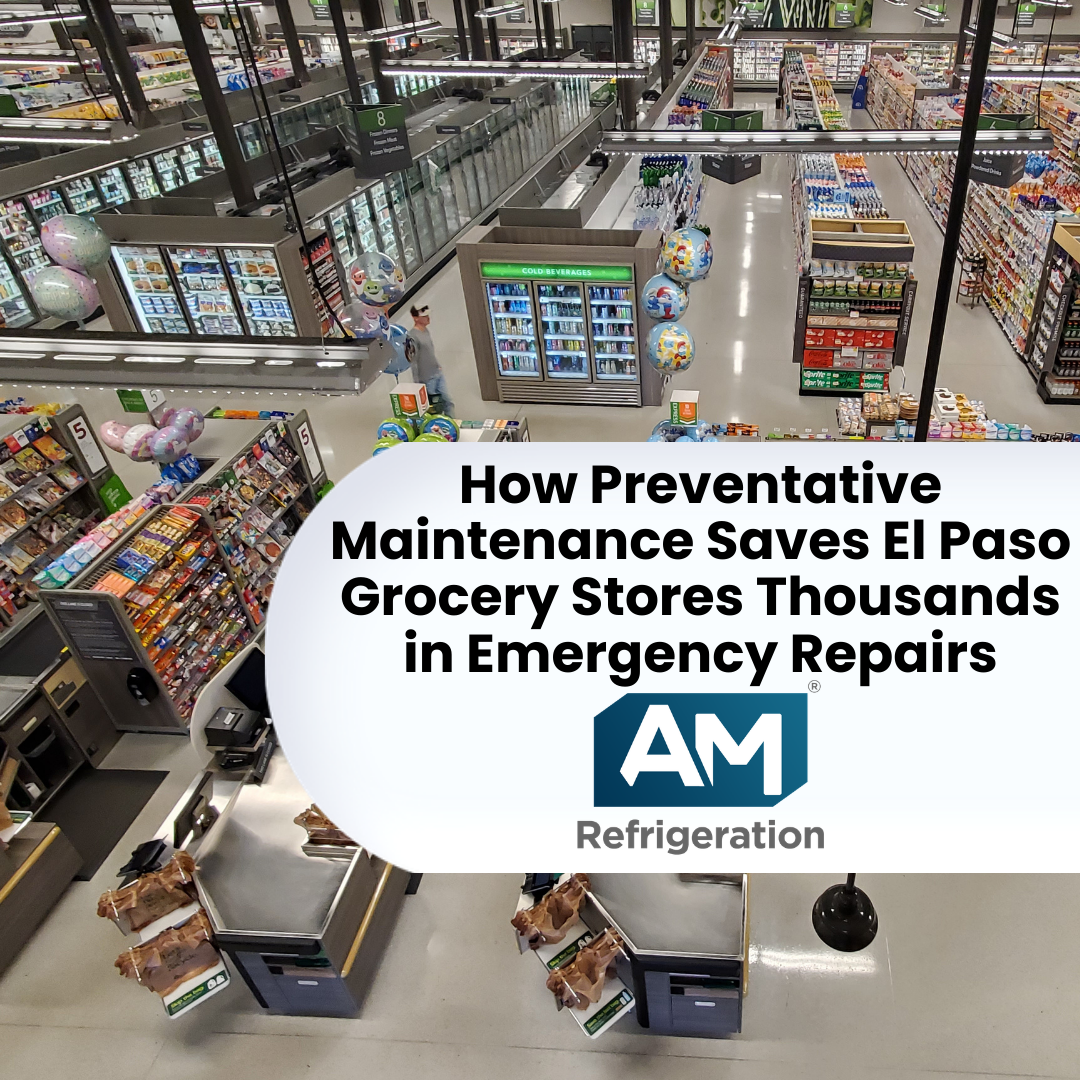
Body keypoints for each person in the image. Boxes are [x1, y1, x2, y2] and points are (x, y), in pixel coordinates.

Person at [405, 304, 455, 417]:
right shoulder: (412, 336)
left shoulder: (426, 331)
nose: (428, 318)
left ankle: (451, 423)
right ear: (415, 318)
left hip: (436, 372)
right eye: (424, 316)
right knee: (433, 406)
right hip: (426, 378)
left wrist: (438, 365)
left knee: (448, 401)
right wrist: (417, 383)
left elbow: (430, 351)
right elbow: (413, 360)